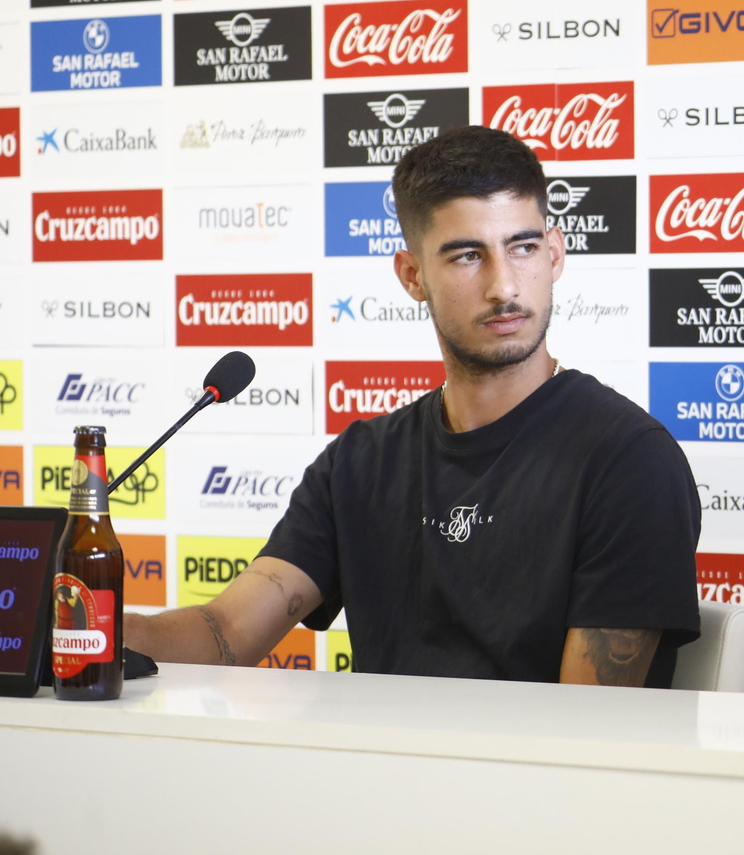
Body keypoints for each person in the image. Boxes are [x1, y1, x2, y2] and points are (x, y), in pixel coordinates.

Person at [127, 128, 702, 687]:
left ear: (554, 255)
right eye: (466, 257)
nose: (504, 286)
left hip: (528, 782)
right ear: (412, 276)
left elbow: (585, 731)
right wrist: (86, 626)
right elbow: (227, 632)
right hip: (375, 776)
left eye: (522, 247)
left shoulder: (628, 460)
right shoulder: (361, 460)